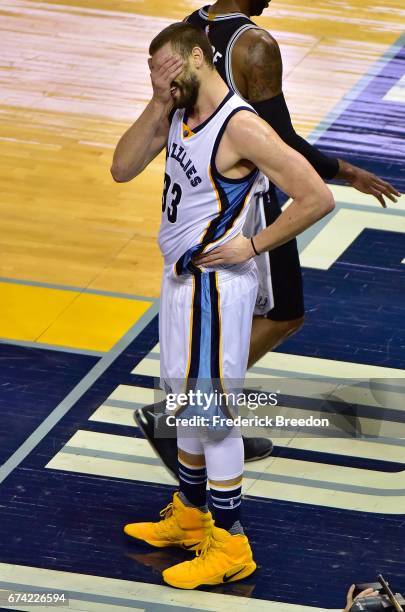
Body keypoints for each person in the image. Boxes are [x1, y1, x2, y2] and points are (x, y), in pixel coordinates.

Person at [134, 0, 400, 476]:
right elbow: (281, 140)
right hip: (240, 204)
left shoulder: (189, 29)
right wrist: (346, 171)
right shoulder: (255, 46)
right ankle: (190, 411)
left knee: (241, 318)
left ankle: (193, 407)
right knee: (284, 314)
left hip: (192, 193)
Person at [111, 21, 334, 588]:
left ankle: (232, 545)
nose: (158, 81)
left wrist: (254, 244)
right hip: (182, 280)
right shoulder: (179, 110)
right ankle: (191, 515)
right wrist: (158, 99)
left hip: (215, 284)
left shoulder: (241, 128)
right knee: (185, 400)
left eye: (164, 70)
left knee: (211, 413)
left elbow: (316, 197)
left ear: (196, 57)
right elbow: (121, 167)